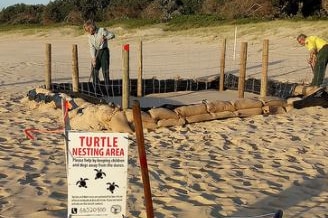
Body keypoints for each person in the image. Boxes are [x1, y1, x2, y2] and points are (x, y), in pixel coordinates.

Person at [83, 20, 115, 90]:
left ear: (92, 27)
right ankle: (96, 88)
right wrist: (93, 58)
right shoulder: (89, 36)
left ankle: (107, 89)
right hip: (96, 52)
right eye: (86, 30)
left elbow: (112, 35)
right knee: (94, 71)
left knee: (105, 71)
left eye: (88, 29)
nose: (88, 32)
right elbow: (91, 47)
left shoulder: (102, 30)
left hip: (104, 52)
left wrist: (105, 38)